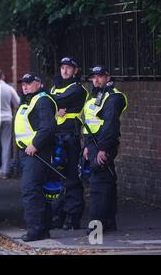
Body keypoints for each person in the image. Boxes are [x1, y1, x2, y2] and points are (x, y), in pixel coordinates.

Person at [83, 65, 127, 234]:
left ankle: (96, 226)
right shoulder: (95, 96)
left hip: (103, 144)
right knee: (107, 180)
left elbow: (110, 125)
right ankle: (108, 222)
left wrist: (103, 148)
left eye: (100, 76)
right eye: (94, 77)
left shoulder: (113, 97)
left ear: (108, 77)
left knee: (97, 184)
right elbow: (89, 122)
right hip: (93, 144)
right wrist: (87, 145)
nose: (96, 80)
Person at [14, 73, 57, 242]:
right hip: (28, 153)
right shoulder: (29, 100)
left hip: (37, 153)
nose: (24, 86)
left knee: (30, 191)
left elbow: (48, 127)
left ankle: (35, 230)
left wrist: (35, 144)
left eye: (29, 83)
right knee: (38, 191)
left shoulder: (42, 100)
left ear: (38, 84)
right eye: (23, 84)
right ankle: (43, 228)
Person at [49, 57, 88, 230]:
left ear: (75, 71)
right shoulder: (54, 87)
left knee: (72, 178)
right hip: (54, 137)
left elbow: (56, 101)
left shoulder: (77, 89)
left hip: (69, 138)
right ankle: (58, 215)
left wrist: (54, 104)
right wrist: (55, 106)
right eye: (63, 67)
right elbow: (49, 103)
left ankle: (73, 217)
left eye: (69, 68)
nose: (65, 71)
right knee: (56, 179)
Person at [0, 69, 20, 179]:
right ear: (3, 76)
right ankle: (5, 171)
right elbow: (18, 102)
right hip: (7, 118)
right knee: (6, 144)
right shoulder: (9, 88)